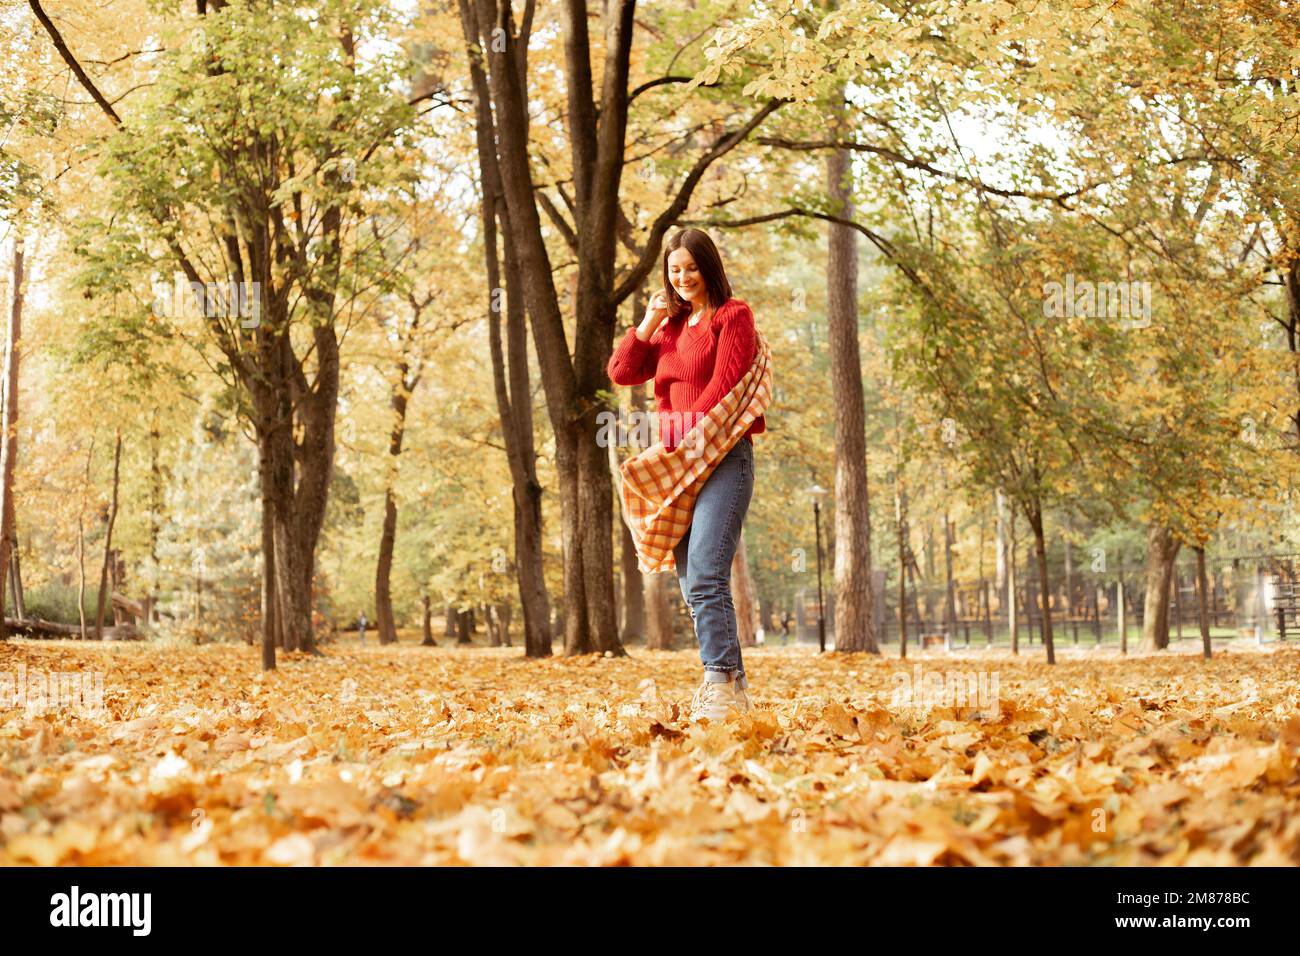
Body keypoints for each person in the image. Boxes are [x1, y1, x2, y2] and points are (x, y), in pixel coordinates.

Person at [607, 227, 766, 721]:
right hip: (678, 464)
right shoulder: (671, 327)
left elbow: (722, 386)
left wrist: (679, 441)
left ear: (709, 268)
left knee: (705, 572)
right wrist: (651, 320)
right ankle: (732, 689)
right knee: (694, 581)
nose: (682, 278)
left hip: (721, 458)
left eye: (691, 269)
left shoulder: (733, 316)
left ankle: (716, 681)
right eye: (674, 271)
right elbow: (621, 371)